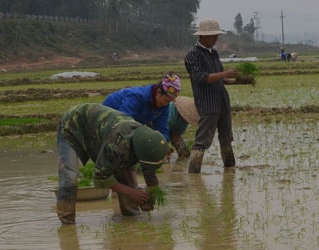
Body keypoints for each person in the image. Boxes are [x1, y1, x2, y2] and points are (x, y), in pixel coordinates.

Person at [56, 103, 169, 224]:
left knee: (125, 173)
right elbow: (100, 178)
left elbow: (148, 171)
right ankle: (67, 224)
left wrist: (150, 194)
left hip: (101, 130)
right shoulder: (116, 146)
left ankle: (132, 219)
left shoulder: (147, 142)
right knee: (70, 177)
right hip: (72, 126)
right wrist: (132, 192)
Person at [184, 19, 239, 173]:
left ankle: (230, 169)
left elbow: (221, 78)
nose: (215, 39)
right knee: (202, 140)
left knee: (226, 137)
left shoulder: (213, 53)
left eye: (216, 36)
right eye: (212, 36)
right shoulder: (193, 55)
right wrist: (225, 73)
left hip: (222, 101)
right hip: (208, 104)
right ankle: (194, 173)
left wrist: (237, 81)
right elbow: (202, 77)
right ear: (203, 36)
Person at [102, 72, 181, 142]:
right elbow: (124, 123)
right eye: (166, 100)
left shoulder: (164, 107)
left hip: (131, 122)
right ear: (159, 92)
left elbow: (162, 129)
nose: (166, 104)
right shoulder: (137, 97)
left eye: (169, 102)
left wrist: (161, 141)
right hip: (109, 118)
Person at [165, 96, 199, 161]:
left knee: (184, 153)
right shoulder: (171, 114)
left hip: (170, 129)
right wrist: (166, 148)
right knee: (161, 150)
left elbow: (177, 134)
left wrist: (182, 149)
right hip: (156, 128)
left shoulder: (185, 120)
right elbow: (162, 132)